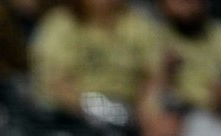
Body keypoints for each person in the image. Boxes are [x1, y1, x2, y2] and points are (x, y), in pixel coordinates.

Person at [30, 0, 159, 115]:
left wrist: (145, 108)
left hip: (130, 113)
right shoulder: (61, 24)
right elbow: (56, 81)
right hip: (73, 115)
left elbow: (155, 74)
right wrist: (95, 111)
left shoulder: (138, 24)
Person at [151, 0, 221, 111]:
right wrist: (165, 73)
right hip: (184, 121)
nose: (188, 3)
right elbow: (151, 107)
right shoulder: (154, 39)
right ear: (161, 3)